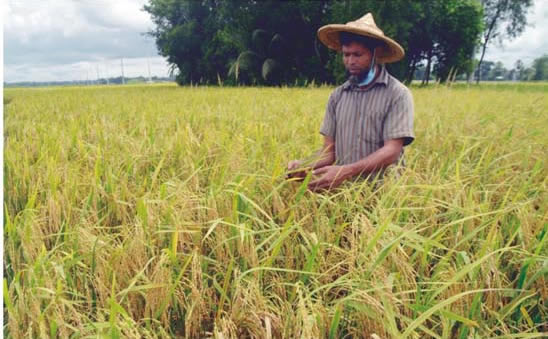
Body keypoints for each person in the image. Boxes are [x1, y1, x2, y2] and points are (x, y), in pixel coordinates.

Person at [287, 13, 415, 192]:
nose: (350, 61)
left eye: (357, 54)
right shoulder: (337, 96)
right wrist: (303, 165)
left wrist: (347, 171)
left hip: (385, 194)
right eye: (346, 55)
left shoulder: (397, 94)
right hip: (344, 192)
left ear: (375, 53)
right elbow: (329, 152)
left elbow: (392, 151)